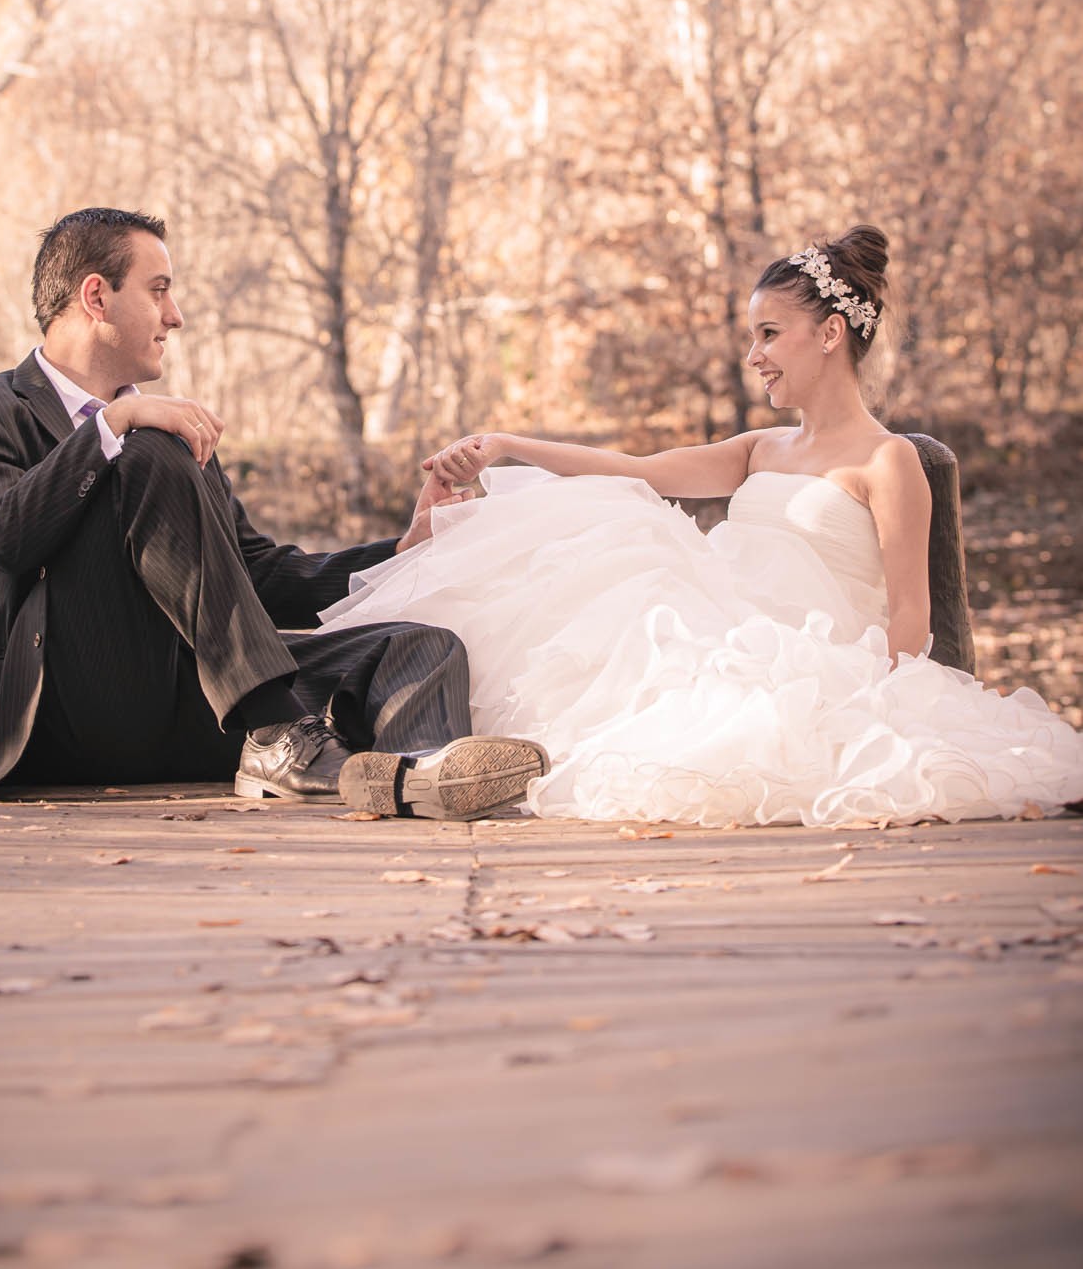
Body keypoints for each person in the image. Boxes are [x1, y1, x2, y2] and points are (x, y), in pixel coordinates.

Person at [326, 227, 1083, 826]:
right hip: (718, 623)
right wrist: (508, 446)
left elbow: (911, 613)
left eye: (768, 334)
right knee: (614, 523)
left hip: (806, 658)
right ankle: (441, 749)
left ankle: (481, 767)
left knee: (650, 601)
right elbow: (639, 468)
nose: (753, 356)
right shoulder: (760, 448)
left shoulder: (889, 462)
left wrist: (879, 706)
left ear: (826, 334)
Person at [0, 207, 547, 811]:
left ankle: (413, 786)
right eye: (159, 290)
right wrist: (115, 424)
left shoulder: (160, 435)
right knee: (151, 454)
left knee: (419, 647)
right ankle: (279, 733)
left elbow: (255, 578)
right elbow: (0, 535)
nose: (176, 315)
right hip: (57, 716)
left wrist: (400, 552)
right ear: (96, 296)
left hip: (193, 702)